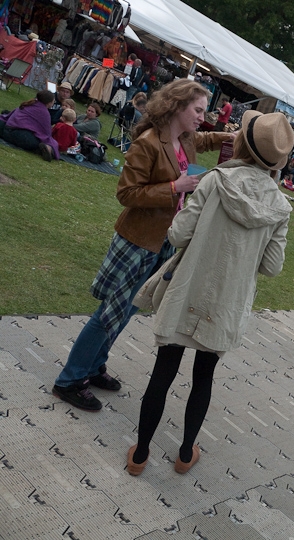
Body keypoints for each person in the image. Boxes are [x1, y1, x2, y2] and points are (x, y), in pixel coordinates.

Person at [126, 111, 292, 476]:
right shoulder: (280, 205)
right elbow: (272, 265)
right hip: (226, 302)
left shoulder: (216, 180)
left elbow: (177, 235)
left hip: (188, 289)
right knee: (204, 376)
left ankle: (140, 455)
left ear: (244, 143)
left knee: (163, 373)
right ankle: (185, 454)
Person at [52, 79, 233, 411]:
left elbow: (205, 139)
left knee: (127, 309)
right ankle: (69, 380)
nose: (201, 117)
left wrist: (233, 138)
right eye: (197, 110)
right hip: (137, 241)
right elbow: (126, 194)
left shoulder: (186, 137)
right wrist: (174, 186)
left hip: (163, 241)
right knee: (109, 313)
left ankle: (93, 367)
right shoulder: (149, 142)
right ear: (177, 106)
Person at [0, 90, 59, 161]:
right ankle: (44, 149)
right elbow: (46, 133)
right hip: (17, 134)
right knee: (36, 141)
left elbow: (10, 115)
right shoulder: (44, 112)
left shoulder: (29, 103)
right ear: (49, 102)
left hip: (6, 129)